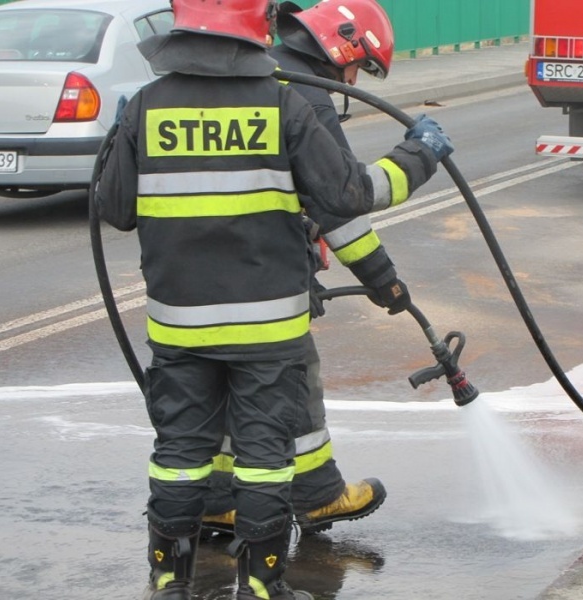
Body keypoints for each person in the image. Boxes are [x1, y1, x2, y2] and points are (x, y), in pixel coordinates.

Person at [93, 1, 453, 599]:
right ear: (253, 31)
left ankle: (167, 582)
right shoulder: (282, 103)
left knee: (180, 453)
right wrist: (421, 152)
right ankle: (261, 586)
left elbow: (115, 210)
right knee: (264, 458)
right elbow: (351, 192)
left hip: (180, 329)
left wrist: (120, 135)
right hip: (267, 329)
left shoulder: (148, 107)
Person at [201, 0, 414, 540]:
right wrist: (381, 277)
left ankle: (217, 500)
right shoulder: (307, 97)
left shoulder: (259, 73)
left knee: (221, 380)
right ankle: (318, 497)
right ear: (342, 46)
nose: (353, 81)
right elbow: (339, 204)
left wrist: (373, 275)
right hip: (265, 272)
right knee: (294, 375)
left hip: (202, 267)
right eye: (357, 67)